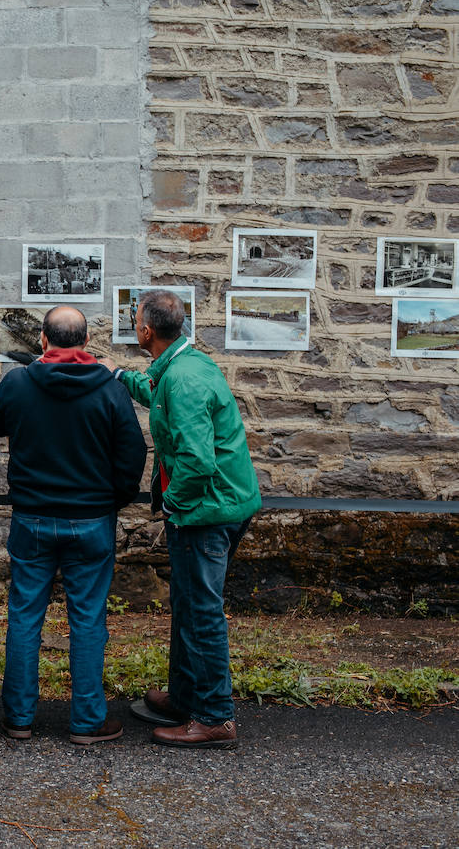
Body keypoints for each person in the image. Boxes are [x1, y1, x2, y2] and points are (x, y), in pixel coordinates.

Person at [0, 306, 146, 744]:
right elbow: (133, 453)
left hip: (33, 517)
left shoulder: (19, 382)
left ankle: (18, 718)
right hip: (91, 518)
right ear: (86, 342)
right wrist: (114, 500)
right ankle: (88, 721)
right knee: (89, 619)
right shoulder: (110, 390)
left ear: (41, 340)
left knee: (24, 615)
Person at [105, 289, 261, 750]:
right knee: (188, 607)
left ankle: (215, 717)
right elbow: (155, 391)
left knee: (201, 615)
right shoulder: (180, 365)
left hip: (205, 512)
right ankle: (185, 697)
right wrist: (114, 374)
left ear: (146, 331)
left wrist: (174, 508)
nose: (134, 325)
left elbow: (197, 461)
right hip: (214, 505)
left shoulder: (185, 379)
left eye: (135, 320)